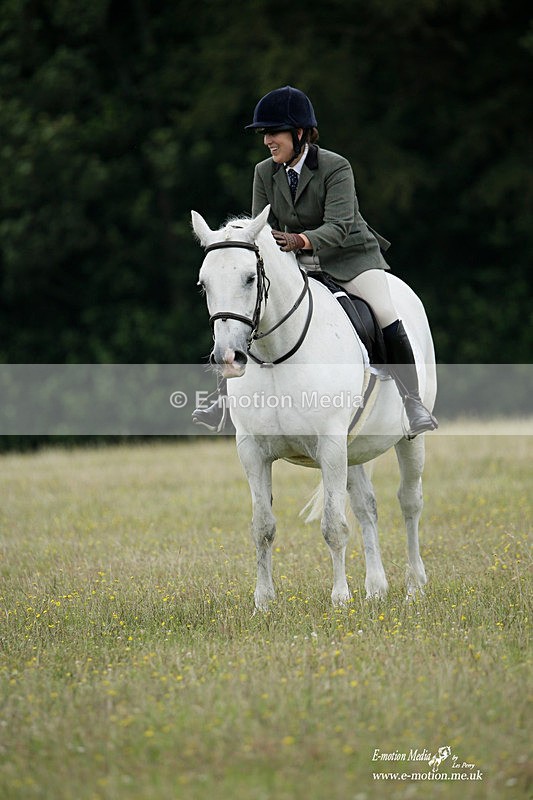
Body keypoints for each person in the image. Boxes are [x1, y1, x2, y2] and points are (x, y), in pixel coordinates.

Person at [193, 85, 438, 438]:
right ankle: (222, 397)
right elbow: (262, 227)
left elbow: (340, 227)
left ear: (300, 132)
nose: (267, 141)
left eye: (274, 132)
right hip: (294, 262)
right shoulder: (264, 172)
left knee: (385, 312)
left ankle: (411, 401)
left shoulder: (336, 167)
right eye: (264, 133)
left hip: (350, 257)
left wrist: (300, 240)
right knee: (245, 310)